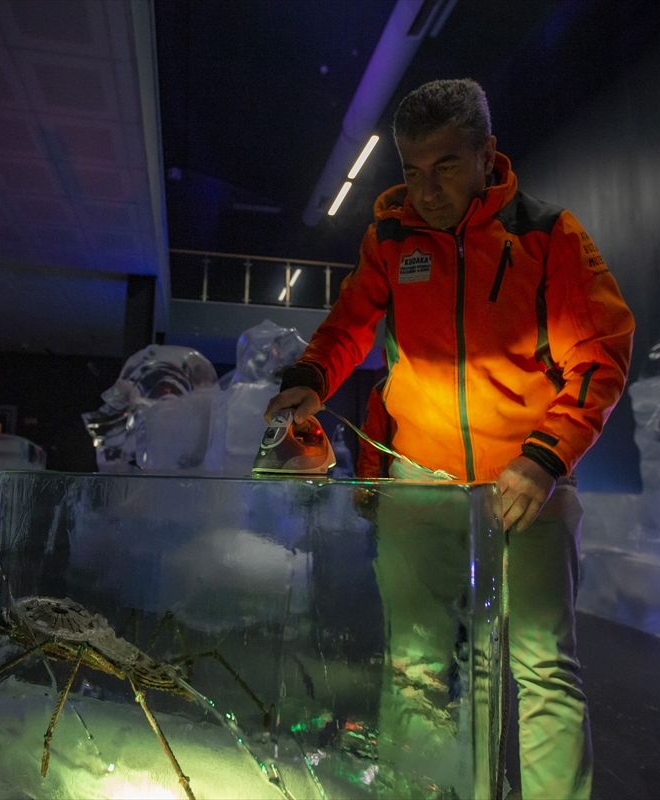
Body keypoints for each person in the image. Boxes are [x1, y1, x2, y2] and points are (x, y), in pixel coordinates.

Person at [266, 78, 634, 799]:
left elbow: (601, 354)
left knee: (542, 670)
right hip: (418, 486)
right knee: (416, 667)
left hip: (527, 485)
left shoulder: (547, 235)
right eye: (411, 170)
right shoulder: (391, 238)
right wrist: (311, 377)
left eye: (445, 167)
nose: (426, 191)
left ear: (485, 155)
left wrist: (544, 458)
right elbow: (349, 324)